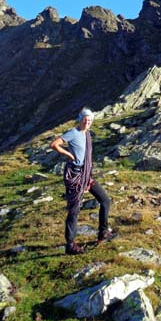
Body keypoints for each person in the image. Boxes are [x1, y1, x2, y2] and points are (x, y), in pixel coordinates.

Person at [50, 107, 115, 255]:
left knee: (105, 200)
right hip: (75, 175)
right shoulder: (73, 133)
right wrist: (69, 155)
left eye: (90, 120)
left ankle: (103, 231)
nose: (87, 122)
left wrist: (88, 178)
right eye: (85, 119)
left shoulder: (87, 135)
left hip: (86, 176)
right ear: (80, 119)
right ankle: (70, 245)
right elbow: (54, 144)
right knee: (74, 210)